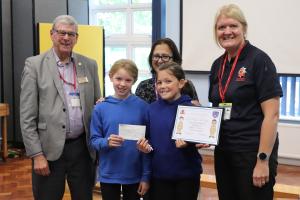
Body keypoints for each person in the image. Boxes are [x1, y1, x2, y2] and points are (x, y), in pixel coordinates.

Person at [20, 15, 101, 200]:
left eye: (71, 34)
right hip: (48, 150)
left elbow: (97, 105)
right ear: (52, 34)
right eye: (62, 32)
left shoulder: (89, 65)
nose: (66, 38)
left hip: (81, 148)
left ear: (77, 38)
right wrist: (36, 155)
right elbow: (26, 117)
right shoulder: (34, 65)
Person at [209, 4, 283, 200]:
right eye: (221, 27)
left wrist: (262, 160)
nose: (227, 32)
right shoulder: (217, 65)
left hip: (251, 153)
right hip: (223, 152)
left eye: (232, 26)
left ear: (244, 28)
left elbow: (272, 115)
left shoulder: (259, 60)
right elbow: (217, 108)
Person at [138, 62, 203, 200]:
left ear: (181, 83)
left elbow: (199, 139)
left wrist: (189, 143)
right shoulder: (150, 110)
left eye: (168, 81)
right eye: (159, 82)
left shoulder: (192, 109)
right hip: (159, 176)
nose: (163, 86)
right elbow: (147, 142)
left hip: (187, 176)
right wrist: (144, 147)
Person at [90, 59, 151, 200]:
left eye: (128, 80)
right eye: (118, 78)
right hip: (109, 174)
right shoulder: (100, 107)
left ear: (134, 81)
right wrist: (106, 142)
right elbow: (94, 140)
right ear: (110, 76)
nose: (122, 84)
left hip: (134, 174)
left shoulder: (143, 108)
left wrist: (146, 176)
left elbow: (148, 144)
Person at [135, 38, 200, 105]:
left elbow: (194, 112)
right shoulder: (144, 87)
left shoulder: (187, 85)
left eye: (165, 56)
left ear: (174, 59)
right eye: (156, 56)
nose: (159, 61)